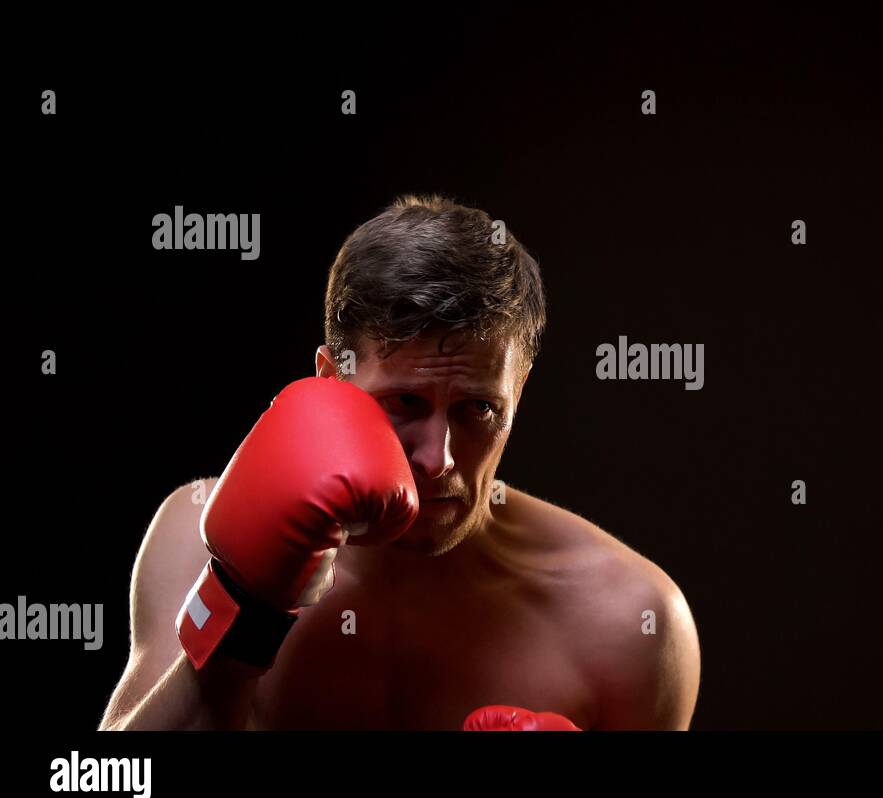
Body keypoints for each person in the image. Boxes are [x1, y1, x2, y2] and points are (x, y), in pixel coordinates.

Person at [98, 194, 701, 730]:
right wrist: (243, 610)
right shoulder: (194, 537)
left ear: (518, 396)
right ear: (330, 379)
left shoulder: (631, 622)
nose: (437, 459)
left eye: (478, 410)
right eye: (404, 403)